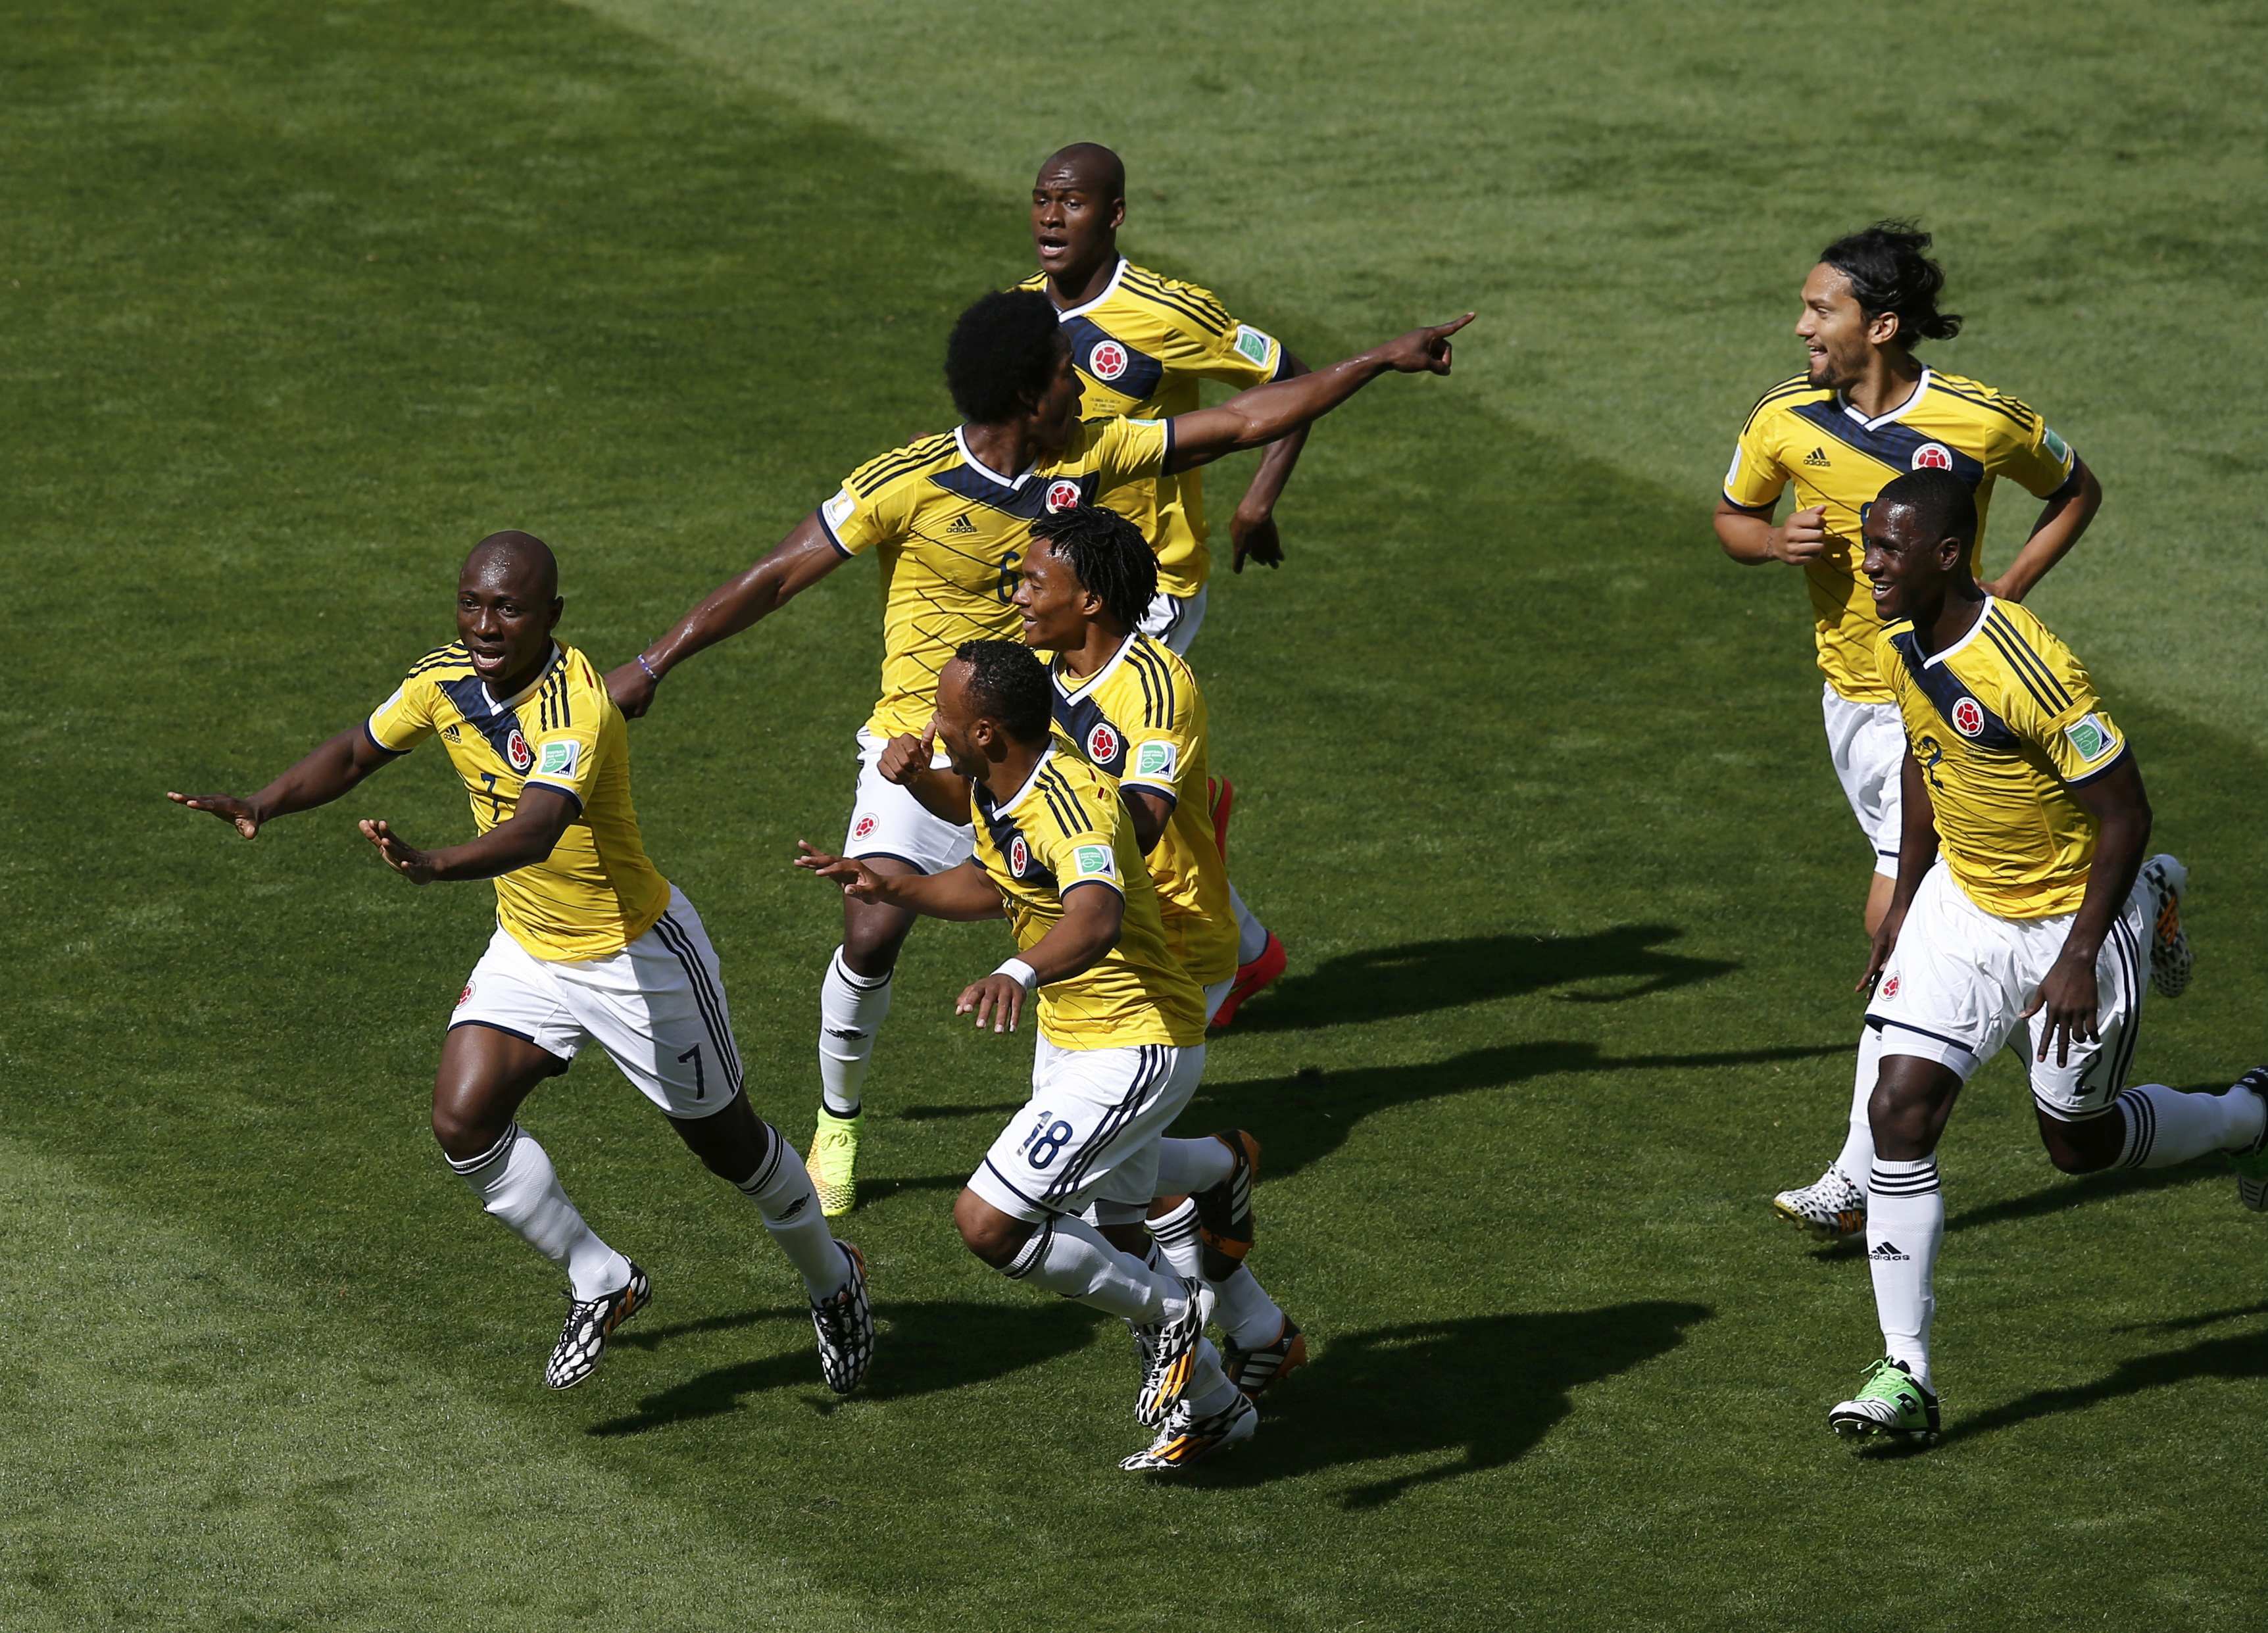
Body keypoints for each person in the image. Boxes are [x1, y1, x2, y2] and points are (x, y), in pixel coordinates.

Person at [606, 287, 1470, 1217]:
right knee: (870, 928)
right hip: (919, 737)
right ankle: (840, 1120)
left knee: (1093, 919)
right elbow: (776, 574)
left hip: (1038, 756)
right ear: (1026, 392)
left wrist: (1376, 360)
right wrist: (655, 661)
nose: (1081, 382)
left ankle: (1144, 1121)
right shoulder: (908, 479)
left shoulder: (1089, 451)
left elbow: (1244, 417)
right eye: (1064, 372)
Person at [169, 532, 873, 1394]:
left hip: (636, 954)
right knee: (462, 1120)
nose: (485, 623)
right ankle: (600, 1275)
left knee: (733, 1149)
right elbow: (358, 750)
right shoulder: (442, 680)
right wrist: (262, 802)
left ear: (552, 616)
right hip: (532, 945)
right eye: (471, 602)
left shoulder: (577, 704)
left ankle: (833, 1278)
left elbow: (537, 826)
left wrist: (436, 863)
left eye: (508, 607)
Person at [1708, 222, 2166, 1244]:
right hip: (1855, 703)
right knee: (1925, 921)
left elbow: (2076, 488)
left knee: (1899, 921)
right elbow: (1731, 518)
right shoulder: (1785, 416)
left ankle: (1861, 1170)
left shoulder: (1978, 418)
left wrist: (2006, 590)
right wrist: (1770, 542)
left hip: (1948, 699)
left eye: (1819, 309)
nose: (1800, 327)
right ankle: (2147, 895)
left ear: (1882, 321)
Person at [1820, 472, 2256, 1446]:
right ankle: (1907, 1373)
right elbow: (1922, 759)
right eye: (1865, 543)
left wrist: (2081, 951)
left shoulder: (2032, 665)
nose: (1869, 562)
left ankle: (2247, 1111)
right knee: (1899, 1107)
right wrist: (1903, 888)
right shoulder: (1897, 634)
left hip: (2071, 919)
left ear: (1946, 553)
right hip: (1964, 910)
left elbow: (2126, 811)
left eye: (1886, 548)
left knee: (2078, 1145)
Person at [797, 641, 1260, 1471]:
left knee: (991, 1221)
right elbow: (995, 882)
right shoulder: (996, 788)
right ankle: (1220, 1402)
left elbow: (1094, 917)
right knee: (1112, 1229)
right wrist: (890, 884)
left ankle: (1171, 1310)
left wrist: (1016, 967)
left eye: (941, 715)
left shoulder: (1072, 802)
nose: (928, 726)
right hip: (1079, 1038)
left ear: (984, 729)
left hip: (1135, 1040)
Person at [881, 503, 1306, 1399]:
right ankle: (1243, 1278)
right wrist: (934, 772)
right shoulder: (1032, 664)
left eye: (1036, 580)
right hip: (1081, 930)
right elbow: (1008, 800)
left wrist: (1029, 904)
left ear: (1094, 599)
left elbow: (1134, 823)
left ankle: (1197, 1362)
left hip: (1166, 927)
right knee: (1116, 1172)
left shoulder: (1155, 688)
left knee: (1105, 1191)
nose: (1018, 591)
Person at [1020, 141, 1303, 1020]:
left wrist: (1258, 500)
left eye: (1071, 202)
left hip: (1153, 586)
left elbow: (1290, 379)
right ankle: (1245, 946)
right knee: (1087, 771)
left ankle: (1193, 952)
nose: (1051, 217)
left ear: (1114, 215)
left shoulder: (1169, 311)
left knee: (1097, 777)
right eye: (1040, 200)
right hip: (1062, 589)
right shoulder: (1020, 317)